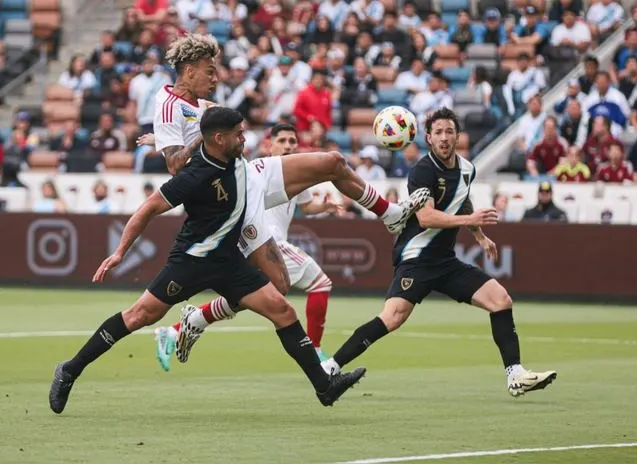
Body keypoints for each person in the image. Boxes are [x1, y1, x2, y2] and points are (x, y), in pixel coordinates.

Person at [49, 107, 367, 415]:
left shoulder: (237, 162)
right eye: (238, 134)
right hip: (191, 261)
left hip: (228, 261)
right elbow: (148, 208)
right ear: (218, 138)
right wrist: (120, 252)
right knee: (138, 317)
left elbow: (200, 121)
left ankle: (324, 386)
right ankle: (70, 369)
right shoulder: (196, 175)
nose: (245, 139)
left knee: (282, 310)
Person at [142, 33, 429, 363]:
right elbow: (176, 165)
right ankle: (192, 321)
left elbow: (210, 134)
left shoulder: (202, 104)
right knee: (276, 286)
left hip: (250, 175)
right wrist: (200, 136)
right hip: (230, 202)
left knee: (333, 161)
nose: (216, 77)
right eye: (210, 70)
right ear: (189, 70)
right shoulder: (168, 105)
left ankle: (390, 213)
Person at [319, 108, 557, 397]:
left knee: (501, 300)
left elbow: (461, 200)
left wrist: (480, 236)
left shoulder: (467, 169)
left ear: (457, 136)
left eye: (449, 131)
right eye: (438, 133)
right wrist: (471, 222)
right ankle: (331, 367)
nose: (444, 138)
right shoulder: (422, 171)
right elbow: (426, 218)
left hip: (445, 261)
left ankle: (515, 374)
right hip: (417, 257)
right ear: (428, 138)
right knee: (393, 317)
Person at [152, 124, 342, 369]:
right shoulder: (257, 171)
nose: (288, 146)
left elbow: (305, 206)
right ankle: (315, 352)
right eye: (282, 141)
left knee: (250, 296)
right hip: (265, 243)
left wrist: (323, 207)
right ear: (268, 145)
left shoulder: (295, 174)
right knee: (319, 283)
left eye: (292, 141)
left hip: (265, 245)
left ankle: (181, 327)